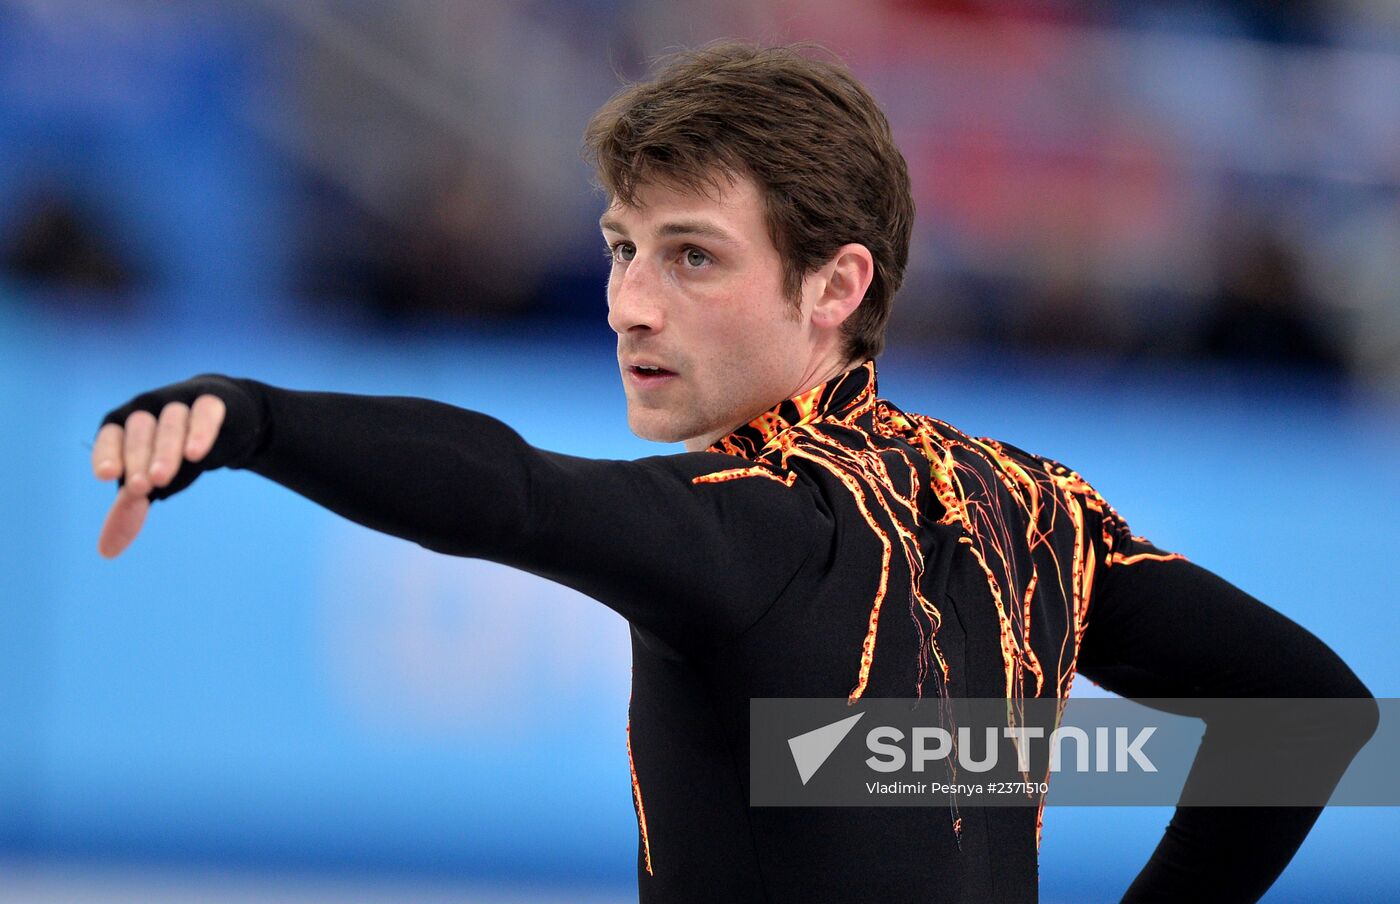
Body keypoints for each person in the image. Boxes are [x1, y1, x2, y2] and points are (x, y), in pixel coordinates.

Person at [90, 43, 1376, 904]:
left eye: (690, 257)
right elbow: (1310, 713)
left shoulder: (766, 522)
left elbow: (511, 491)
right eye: (619, 247)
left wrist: (250, 417)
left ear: (836, 285)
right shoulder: (1029, 509)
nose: (627, 304)